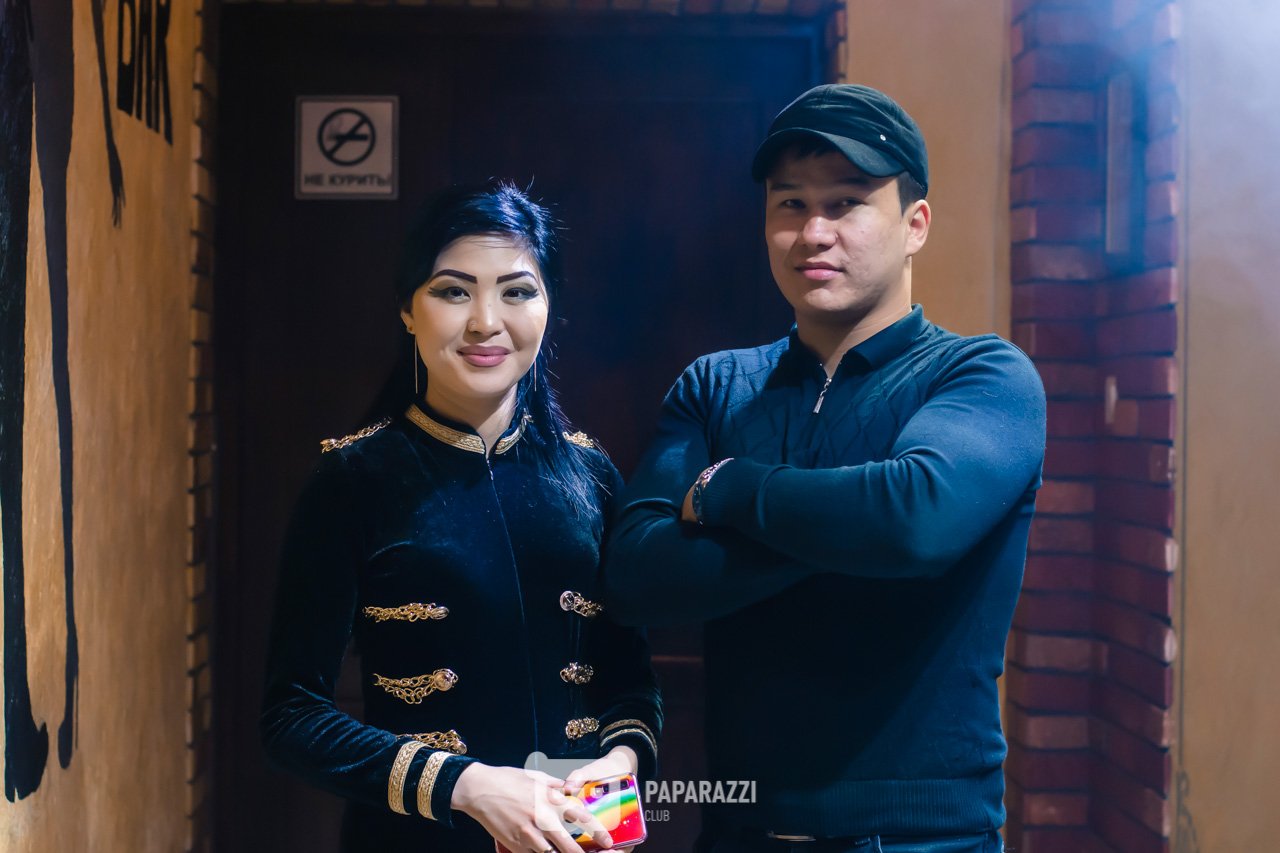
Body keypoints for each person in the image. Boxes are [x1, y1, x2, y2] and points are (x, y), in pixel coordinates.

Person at [602, 85, 1046, 852]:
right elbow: (638, 573)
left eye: (846, 203)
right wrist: (849, 524)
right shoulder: (717, 385)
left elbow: (914, 521)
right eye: (790, 204)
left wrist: (731, 487)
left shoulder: (982, 376)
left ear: (915, 224)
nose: (813, 232)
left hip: (921, 837)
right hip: (739, 827)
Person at [261, 182, 661, 853]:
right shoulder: (353, 480)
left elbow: (631, 682)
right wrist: (466, 785)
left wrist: (618, 767)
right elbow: (290, 717)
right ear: (407, 309)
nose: (485, 322)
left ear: (550, 307)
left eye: (517, 291)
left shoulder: (590, 476)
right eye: (453, 291)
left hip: (578, 839)